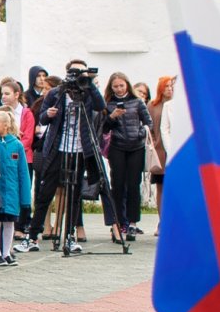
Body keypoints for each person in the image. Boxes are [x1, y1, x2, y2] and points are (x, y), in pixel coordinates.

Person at [29, 61, 105, 251]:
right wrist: (49, 113)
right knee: (45, 193)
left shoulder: (87, 92)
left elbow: (101, 105)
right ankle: (32, 237)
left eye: (81, 71)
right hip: (57, 148)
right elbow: (43, 118)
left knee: (74, 193)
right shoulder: (57, 92)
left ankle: (69, 235)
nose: (78, 74)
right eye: (75, 71)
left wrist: (89, 83)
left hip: (81, 150)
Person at [103, 71, 152, 240]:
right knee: (118, 185)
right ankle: (118, 222)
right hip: (117, 147)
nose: (118, 89)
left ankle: (132, 222)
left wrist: (140, 132)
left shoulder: (137, 102)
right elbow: (103, 128)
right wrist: (112, 117)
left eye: (121, 86)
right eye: (115, 86)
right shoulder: (108, 103)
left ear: (127, 85)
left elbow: (148, 122)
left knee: (133, 185)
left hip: (136, 147)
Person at [0, 108, 30, 266]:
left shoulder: (17, 145)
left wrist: (25, 198)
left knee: (9, 222)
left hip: (12, 192)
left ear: (5, 125)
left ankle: (6, 252)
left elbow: (23, 173)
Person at [150, 75, 175, 229]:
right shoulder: (153, 105)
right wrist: (153, 142)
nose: (169, 89)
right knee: (161, 186)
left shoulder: (177, 105)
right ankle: (162, 221)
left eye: (171, 86)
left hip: (172, 148)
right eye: (166, 86)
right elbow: (150, 127)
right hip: (159, 150)